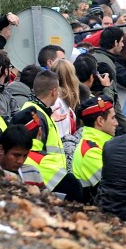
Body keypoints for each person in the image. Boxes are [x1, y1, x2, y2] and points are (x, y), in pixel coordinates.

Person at [8, 70, 84, 200]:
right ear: (54, 91)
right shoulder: (37, 116)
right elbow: (34, 152)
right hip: (47, 176)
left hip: (48, 175)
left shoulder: (34, 109)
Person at [70, 96, 117, 199]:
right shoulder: (91, 152)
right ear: (100, 121)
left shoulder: (97, 146)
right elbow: (117, 186)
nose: (116, 123)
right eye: (113, 118)